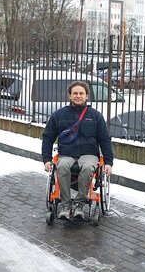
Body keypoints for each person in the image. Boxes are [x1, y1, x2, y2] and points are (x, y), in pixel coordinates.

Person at [41, 81, 114, 220]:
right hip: (67, 153)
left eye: (81, 93)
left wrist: (109, 162)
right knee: (61, 166)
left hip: (89, 154)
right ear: (69, 96)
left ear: (87, 96)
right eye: (75, 93)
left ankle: (79, 205)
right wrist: (46, 160)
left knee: (87, 168)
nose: (78, 96)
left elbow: (105, 139)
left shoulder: (96, 116)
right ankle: (66, 205)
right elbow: (48, 138)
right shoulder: (59, 115)